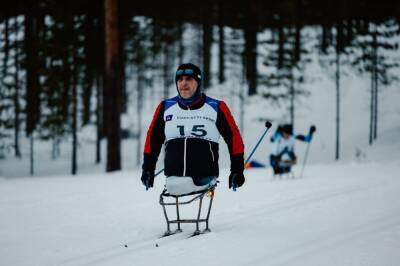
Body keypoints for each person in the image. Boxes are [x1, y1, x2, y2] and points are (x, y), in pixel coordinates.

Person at [140, 63, 245, 195]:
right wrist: (148, 169)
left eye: (189, 79)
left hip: (204, 178)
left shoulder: (217, 107)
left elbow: (234, 139)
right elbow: (152, 140)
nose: (183, 83)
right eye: (180, 79)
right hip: (174, 180)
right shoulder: (165, 107)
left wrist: (237, 170)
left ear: (198, 82)